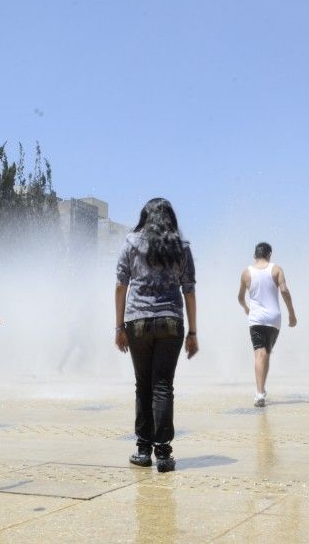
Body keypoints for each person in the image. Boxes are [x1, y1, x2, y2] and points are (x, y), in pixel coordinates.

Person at [115, 198, 198, 473]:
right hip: (170, 322)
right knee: (163, 386)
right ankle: (163, 454)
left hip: (137, 321)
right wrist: (193, 332)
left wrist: (119, 327)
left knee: (143, 386)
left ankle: (142, 450)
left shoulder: (131, 242)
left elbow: (120, 285)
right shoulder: (181, 247)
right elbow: (189, 290)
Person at [237, 242, 298, 407]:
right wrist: (292, 313)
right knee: (266, 353)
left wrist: (245, 308)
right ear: (269, 254)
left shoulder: (246, 273)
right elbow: (284, 291)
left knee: (259, 353)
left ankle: (259, 393)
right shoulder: (276, 269)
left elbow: (240, 297)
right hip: (274, 319)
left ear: (254, 255)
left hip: (256, 319)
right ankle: (262, 389)